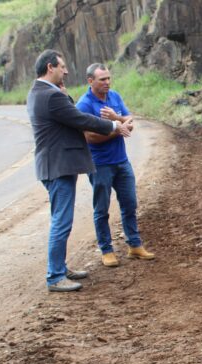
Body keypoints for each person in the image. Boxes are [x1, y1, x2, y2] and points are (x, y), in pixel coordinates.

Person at [27, 50, 131, 292]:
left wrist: (64, 95)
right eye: (62, 67)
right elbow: (81, 119)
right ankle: (55, 276)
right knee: (61, 222)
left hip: (55, 165)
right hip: (58, 166)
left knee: (60, 219)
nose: (65, 71)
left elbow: (68, 116)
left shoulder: (42, 93)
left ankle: (60, 268)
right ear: (50, 67)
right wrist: (114, 124)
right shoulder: (50, 96)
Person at [76, 63, 155, 267]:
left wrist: (116, 119)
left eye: (109, 78)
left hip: (122, 161)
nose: (107, 83)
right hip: (99, 164)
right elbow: (89, 137)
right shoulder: (84, 105)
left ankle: (134, 245)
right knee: (101, 209)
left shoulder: (114, 96)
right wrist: (117, 129)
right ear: (90, 81)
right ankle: (107, 250)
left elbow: (129, 119)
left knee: (130, 203)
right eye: (102, 79)